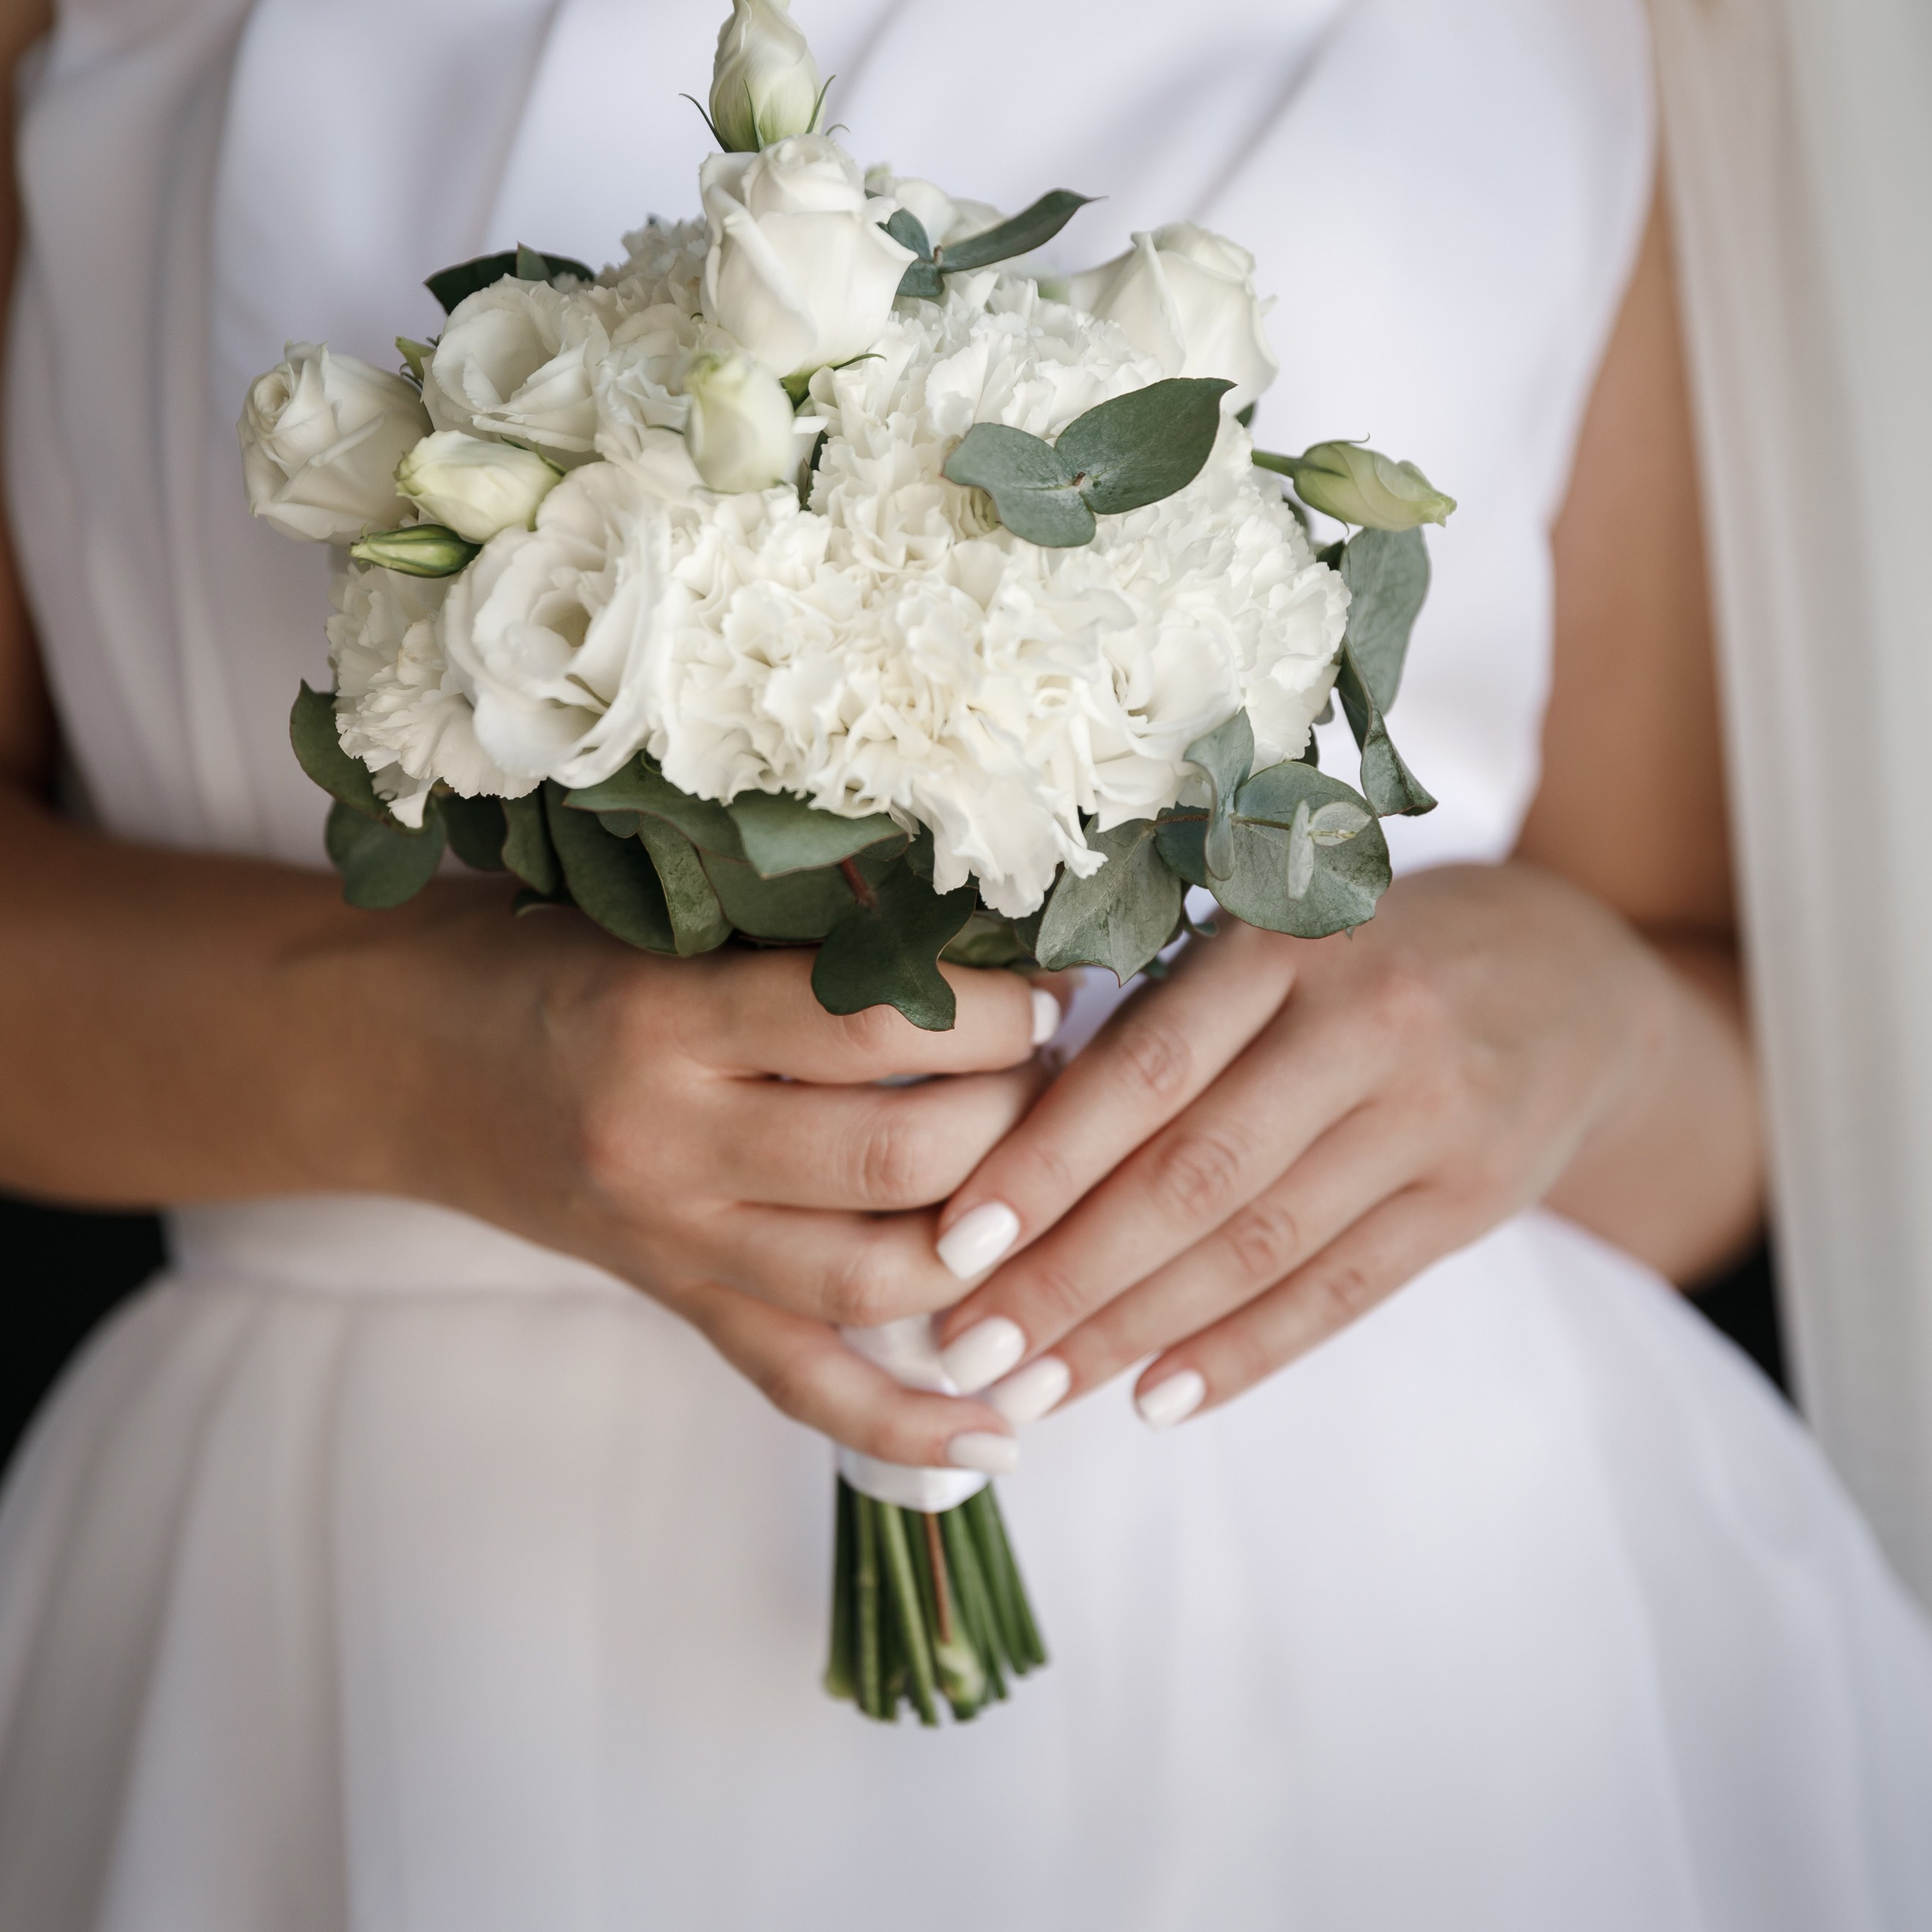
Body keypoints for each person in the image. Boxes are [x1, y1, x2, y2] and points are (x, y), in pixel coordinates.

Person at [0, 1, 1926, 1927]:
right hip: (355, 1608)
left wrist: (1566, 1020)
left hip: (1401, 1632)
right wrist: (438, 1064)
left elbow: (1725, 1082)